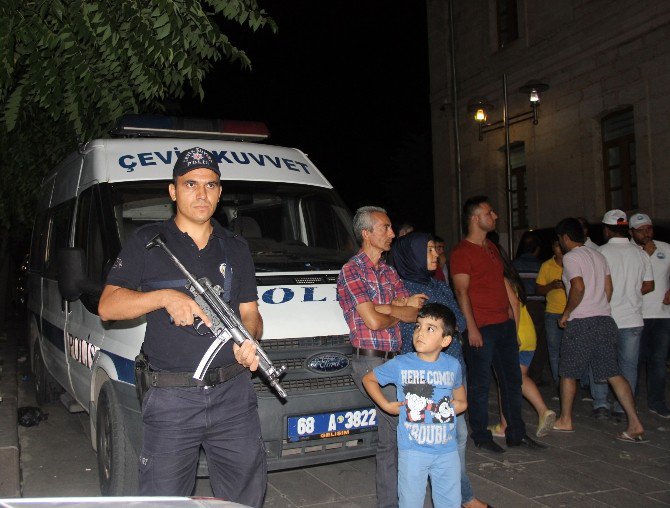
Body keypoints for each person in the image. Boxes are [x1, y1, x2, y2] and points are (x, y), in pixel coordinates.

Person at [98, 147, 266, 504]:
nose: (201, 193)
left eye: (210, 185)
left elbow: (250, 312)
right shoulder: (147, 241)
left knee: (244, 498)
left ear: (220, 192)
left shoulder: (235, 247)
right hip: (172, 396)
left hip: (234, 395)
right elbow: (108, 305)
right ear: (173, 191)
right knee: (164, 500)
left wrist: (250, 341)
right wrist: (163, 297)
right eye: (190, 184)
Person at [337, 206, 427, 508]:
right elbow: (372, 323)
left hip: (396, 358)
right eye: (385, 228)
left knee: (398, 437)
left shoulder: (389, 271)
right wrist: (392, 310)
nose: (392, 234)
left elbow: (414, 313)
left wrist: (384, 308)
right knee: (394, 439)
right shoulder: (351, 270)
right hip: (371, 361)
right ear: (366, 233)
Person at [392, 232, 488, 508]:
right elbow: (422, 330)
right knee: (436, 439)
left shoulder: (436, 284)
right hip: (426, 378)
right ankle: (462, 498)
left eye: (435, 249)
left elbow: (457, 320)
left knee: (457, 435)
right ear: (412, 255)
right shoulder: (403, 290)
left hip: (453, 368)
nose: (436, 255)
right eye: (429, 250)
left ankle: (457, 496)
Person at [450, 196, 544, 453]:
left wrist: (512, 324)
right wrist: (473, 328)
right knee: (480, 385)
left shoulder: (490, 248)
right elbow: (462, 293)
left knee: (512, 380)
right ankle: (480, 435)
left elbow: (503, 286)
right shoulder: (461, 253)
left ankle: (516, 433)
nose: (495, 216)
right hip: (481, 327)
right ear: (475, 218)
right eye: (490, 212)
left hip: (502, 325)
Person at [551, 218, 647, 443]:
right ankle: (634, 422)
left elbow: (578, 286)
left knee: (568, 372)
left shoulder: (572, 257)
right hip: (605, 320)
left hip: (583, 322)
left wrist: (567, 312)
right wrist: (600, 306)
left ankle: (565, 419)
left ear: (564, 237)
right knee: (613, 372)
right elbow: (608, 288)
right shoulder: (598, 255)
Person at [362, 303, 467, 508]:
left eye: (430, 328)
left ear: (445, 340)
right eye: (418, 326)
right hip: (413, 451)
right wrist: (386, 406)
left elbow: (462, 401)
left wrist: (445, 409)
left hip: (446, 450)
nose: (420, 332)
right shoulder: (401, 363)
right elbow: (369, 380)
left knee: (450, 502)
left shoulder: (452, 366)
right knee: (410, 502)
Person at [591, 210, 653, 420]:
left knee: (601, 361)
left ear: (607, 230)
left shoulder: (600, 253)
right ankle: (622, 408)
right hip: (633, 318)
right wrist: (632, 293)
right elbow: (649, 284)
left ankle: (600, 404)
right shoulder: (640, 253)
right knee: (629, 366)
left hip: (606, 316)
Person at [488, 247, 556, 438]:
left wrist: (513, 333)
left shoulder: (499, 278)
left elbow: (513, 305)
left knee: (505, 380)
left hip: (516, 332)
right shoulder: (513, 278)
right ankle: (542, 410)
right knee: (518, 379)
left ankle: (505, 425)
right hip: (529, 333)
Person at [629, 213, 670, 418]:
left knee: (659, 360)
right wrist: (646, 255)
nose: (646, 233)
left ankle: (657, 401)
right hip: (636, 314)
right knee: (634, 360)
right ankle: (629, 402)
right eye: (641, 230)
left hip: (663, 315)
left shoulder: (666, 248)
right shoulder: (628, 251)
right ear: (631, 232)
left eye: (649, 228)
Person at [513, 233, 549, 386]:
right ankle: (535, 378)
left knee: (520, 343)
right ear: (537, 249)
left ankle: (520, 375)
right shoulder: (542, 265)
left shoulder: (513, 265)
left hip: (521, 306)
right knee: (539, 344)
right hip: (538, 307)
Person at [535, 238, 567, 386]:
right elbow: (539, 289)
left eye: (561, 245)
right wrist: (552, 285)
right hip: (553, 313)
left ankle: (579, 382)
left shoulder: (573, 262)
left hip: (573, 313)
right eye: (556, 245)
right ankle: (559, 383)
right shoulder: (547, 265)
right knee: (554, 351)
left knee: (574, 350)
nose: (559, 248)